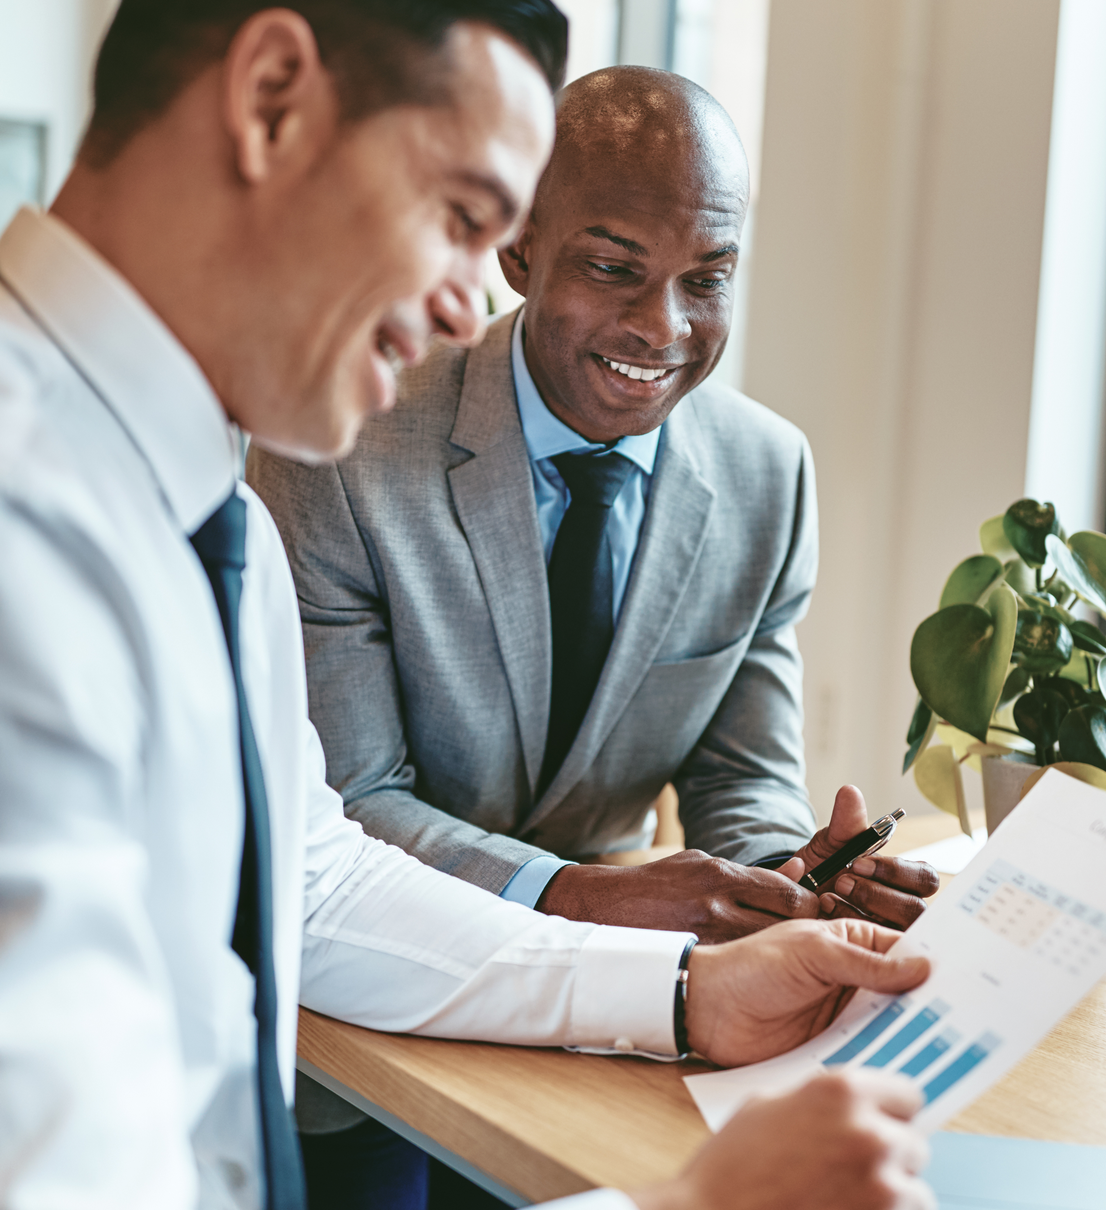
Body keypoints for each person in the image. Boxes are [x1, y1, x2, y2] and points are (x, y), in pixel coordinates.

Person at [0, 0, 935, 1210]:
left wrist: (691, 993)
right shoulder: (28, 534)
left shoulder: (188, 510)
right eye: (463, 218)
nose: (460, 314)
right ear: (275, 99)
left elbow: (313, 880)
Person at [252, 66, 936, 949]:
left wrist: (794, 879)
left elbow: (740, 779)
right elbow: (348, 800)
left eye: (707, 279)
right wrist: (575, 895)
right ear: (519, 250)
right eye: (614, 268)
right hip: (378, 957)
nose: (663, 327)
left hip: (626, 973)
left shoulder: (769, 474)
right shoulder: (346, 445)